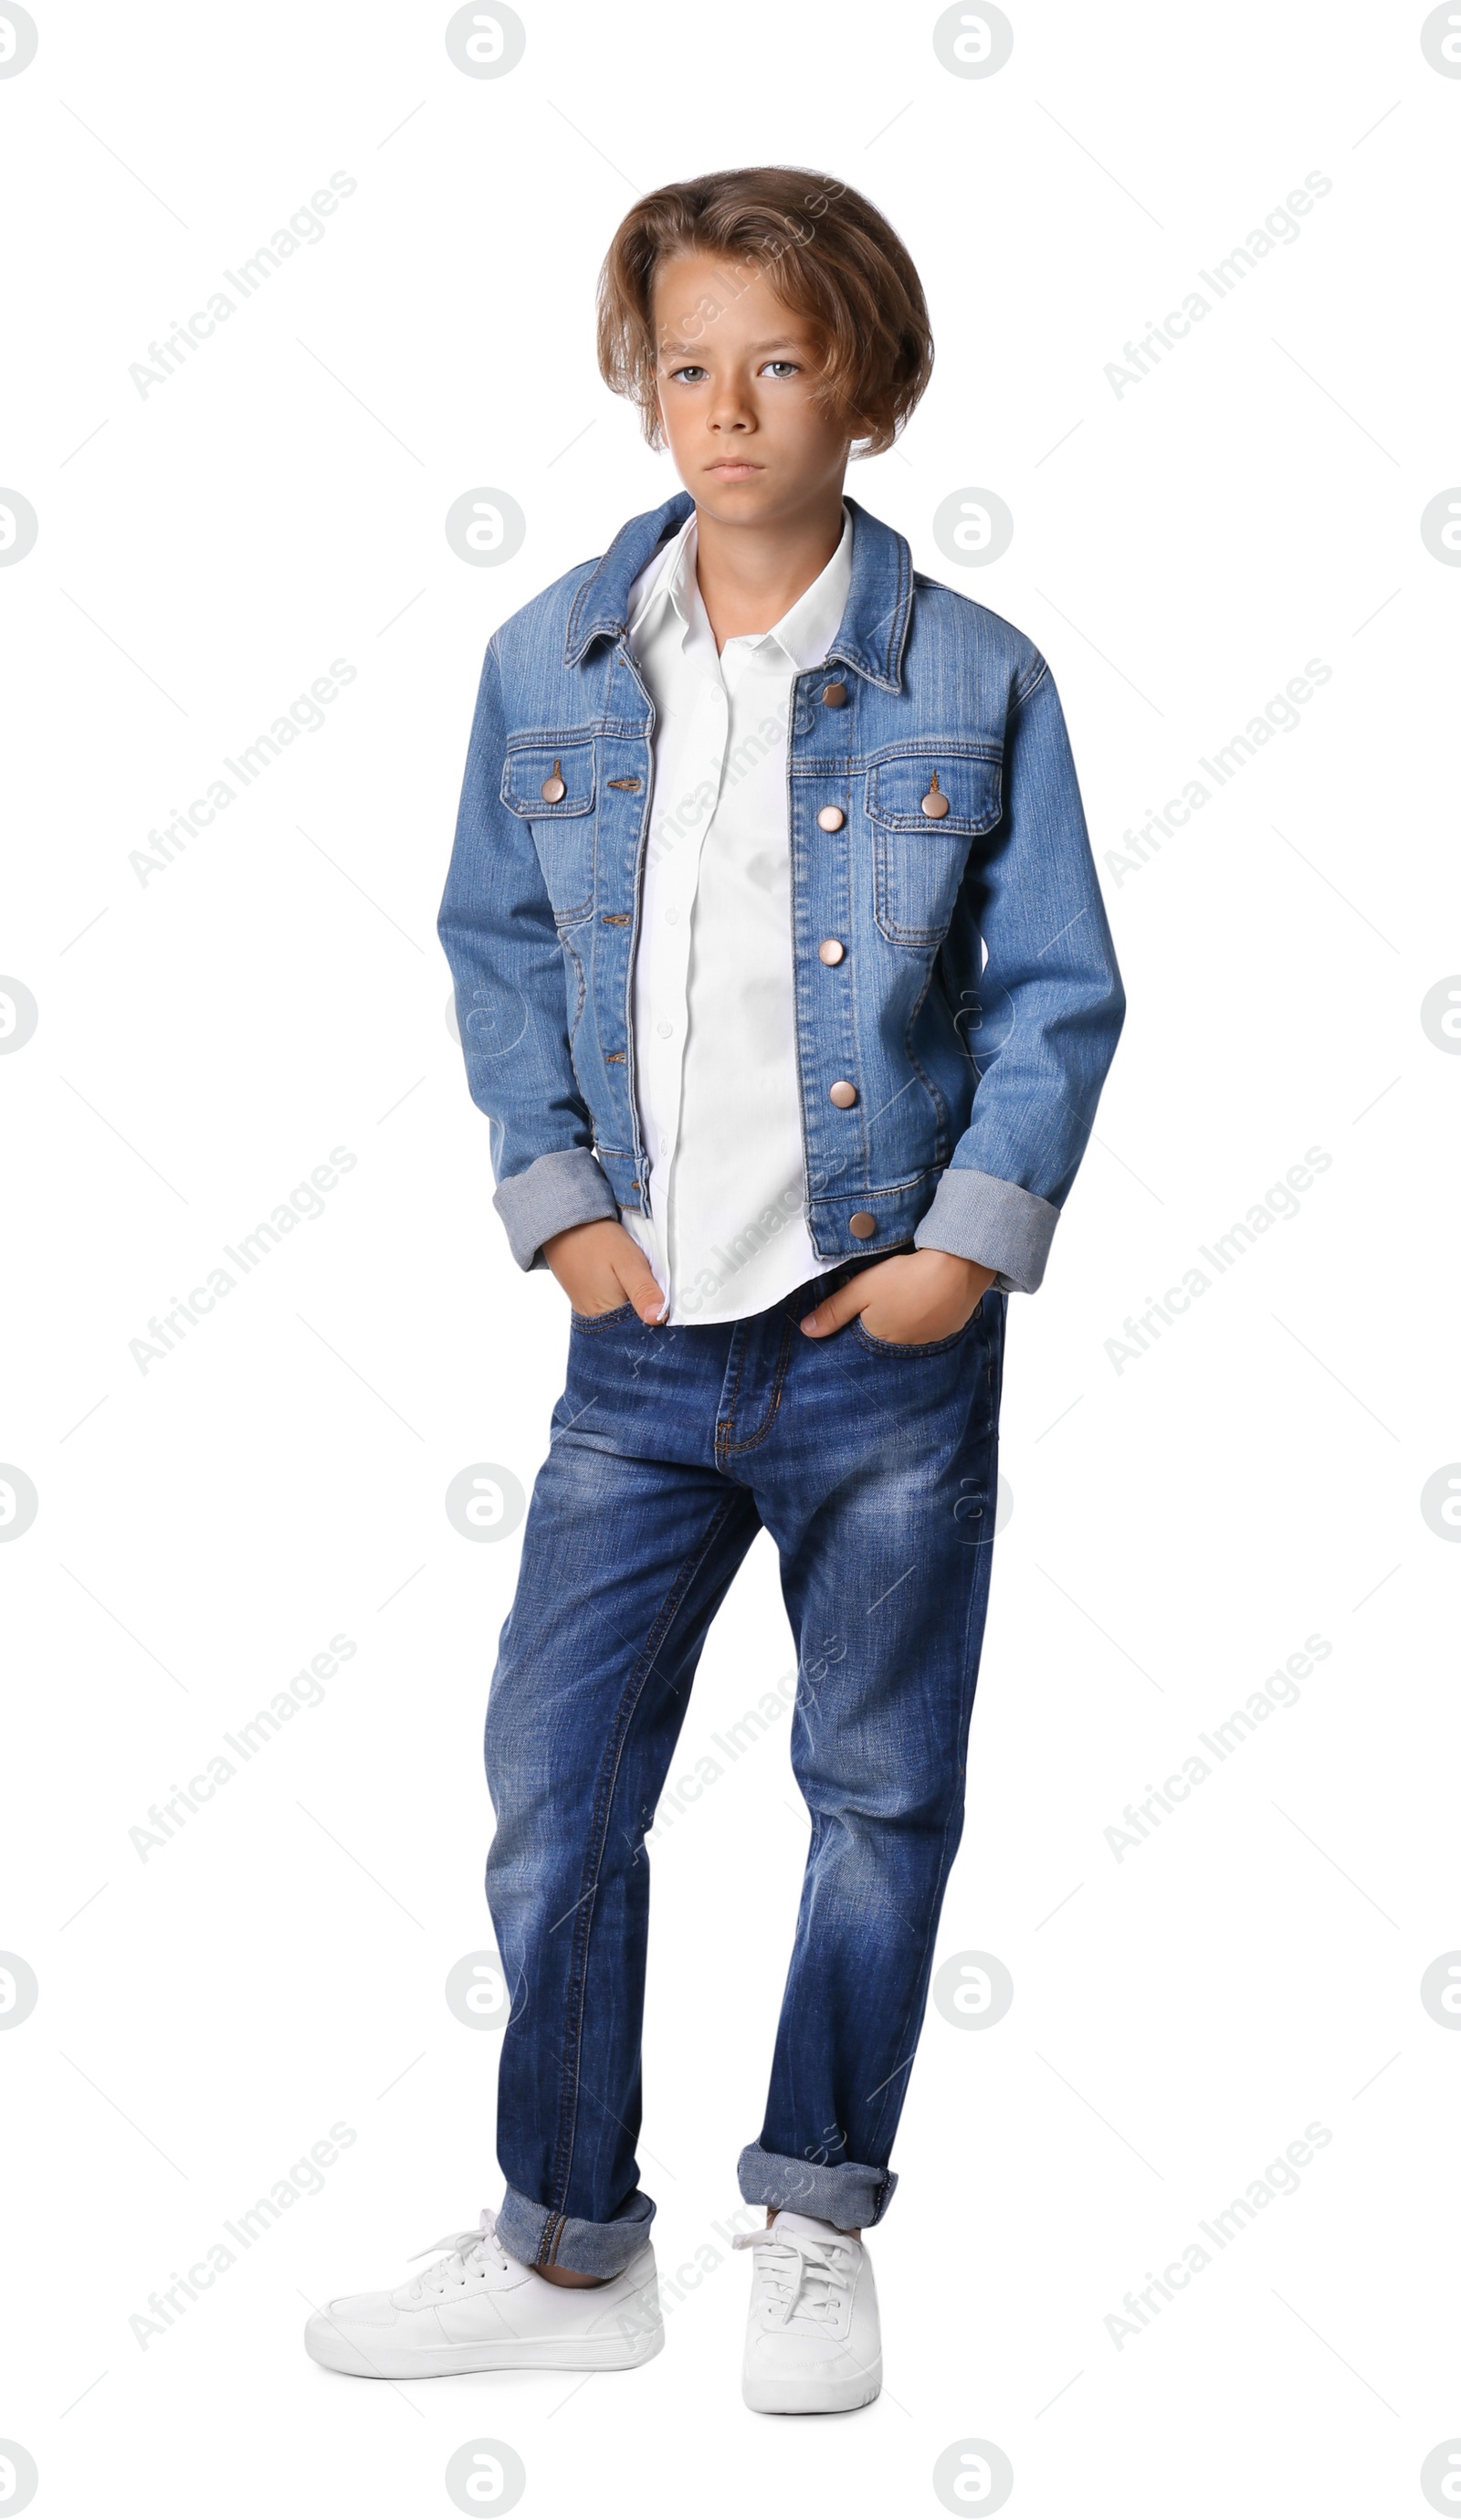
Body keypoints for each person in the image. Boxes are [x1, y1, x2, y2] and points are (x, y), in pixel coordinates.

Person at [305, 164, 1124, 2413]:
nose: (727, 409)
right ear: (637, 382)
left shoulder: (972, 673)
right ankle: (571, 2248)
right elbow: (491, 946)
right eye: (686, 364)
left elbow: (1053, 991)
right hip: (636, 1352)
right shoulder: (550, 655)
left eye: (777, 362)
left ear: (863, 377)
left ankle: (813, 2216)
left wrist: (963, 1250)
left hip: (879, 1345)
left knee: (873, 1791)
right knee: (559, 1791)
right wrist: (555, 1198)